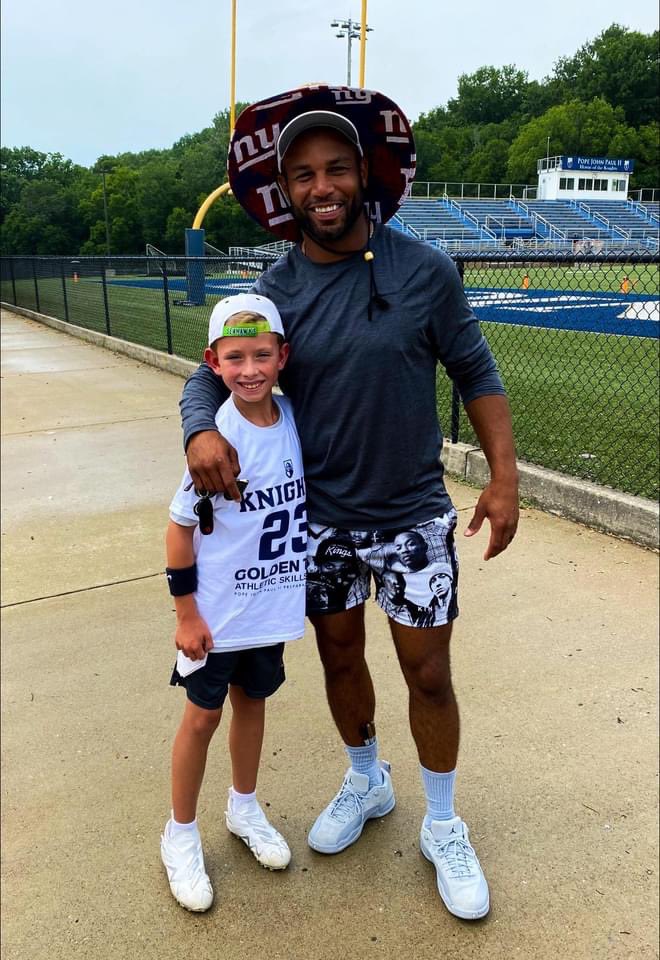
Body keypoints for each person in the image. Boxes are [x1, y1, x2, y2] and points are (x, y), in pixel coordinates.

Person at [180, 85, 519, 920]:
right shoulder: (277, 285)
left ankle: (442, 822)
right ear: (285, 190)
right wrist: (200, 433)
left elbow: (475, 370)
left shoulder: (425, 271)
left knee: (428, 672)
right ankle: (366, 777)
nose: (321, 187)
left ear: (362, 174)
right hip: (318, 520)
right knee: (338, 660)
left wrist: (506, 479)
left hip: (410, 515)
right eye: (303, 174)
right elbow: (210, 367)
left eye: (336, 169)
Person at [161, 293, 306, 912]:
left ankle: (244, 805)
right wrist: (187, 613)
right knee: (203, 716)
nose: (250, 369)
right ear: (212, 362)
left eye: (261, 355)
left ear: (283, 357)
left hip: (268, 606)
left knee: (253, 705)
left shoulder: (295, 416)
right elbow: (178, 527)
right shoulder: (216, 436)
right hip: (217, 614)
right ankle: (181, 833)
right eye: (235, 357)